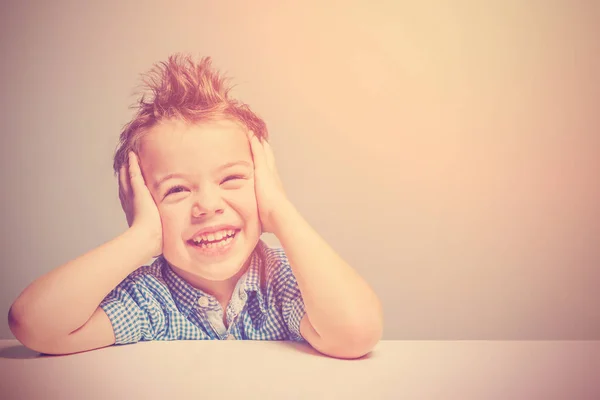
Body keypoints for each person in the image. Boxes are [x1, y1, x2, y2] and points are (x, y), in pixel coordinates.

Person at [8, 53, 383, 359]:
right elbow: (35, 326)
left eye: (231, 179)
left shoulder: (284, 283)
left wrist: (280, 211)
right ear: (143, 205)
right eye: (176, 191)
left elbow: (355, 335)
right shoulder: (150, 299)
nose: (206, 205)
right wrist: (141, 238)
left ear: (264, 186)